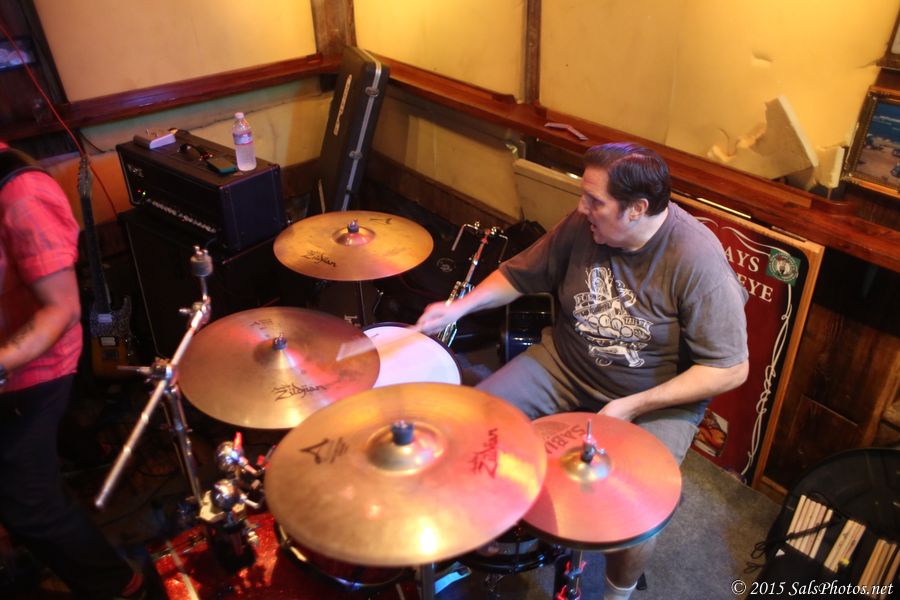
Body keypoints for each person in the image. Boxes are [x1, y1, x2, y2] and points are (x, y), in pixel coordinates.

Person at [417, 142, 749, 600]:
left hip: (653, 397)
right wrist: (458, 308)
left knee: (639, 511)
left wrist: (633, 406)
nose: (581, 208)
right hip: (564, 364)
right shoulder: (583, 225)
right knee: (473, 424)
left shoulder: (696, 259)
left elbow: (730, 368)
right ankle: (482, 527)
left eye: (595, 200)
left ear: (637, 209)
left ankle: (618, 592)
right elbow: (518, 274)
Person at [0, 142, 143, 598]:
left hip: (31, 371)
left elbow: (61, 309)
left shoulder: (21, 194)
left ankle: (120, 586)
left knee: (28, 506)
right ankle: (83, 450)